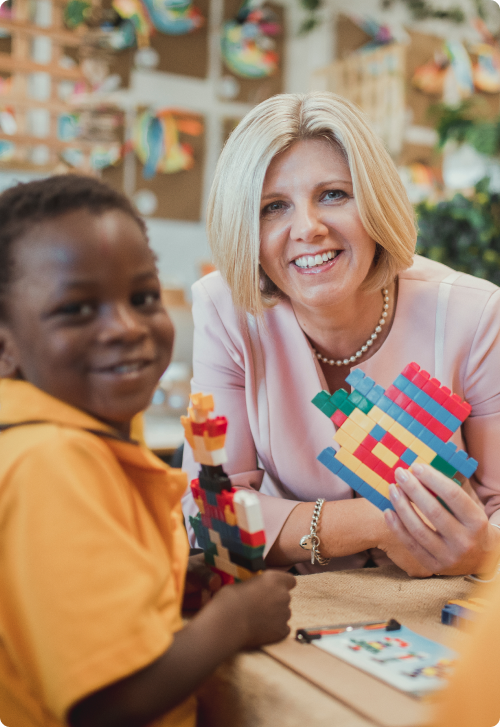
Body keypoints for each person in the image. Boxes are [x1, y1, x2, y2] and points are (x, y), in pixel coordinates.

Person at [0, 175, 295, 727]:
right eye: (77, 309)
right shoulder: (52, 461)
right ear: (5, 347)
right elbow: (107, 703)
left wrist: (171, 583)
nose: (127, 327)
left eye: (143, 298)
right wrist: (233, 620)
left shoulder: (92, 429)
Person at [182, 91, 500, 578]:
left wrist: (484, 551)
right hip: (290, 602)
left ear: (375, 204)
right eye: (273, 207)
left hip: (447, 602)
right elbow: (209, 514)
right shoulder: (226, 312)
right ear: (244, 226)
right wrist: (380, 523)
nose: (307, 228)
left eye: (333, 194)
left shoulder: (476, 315)